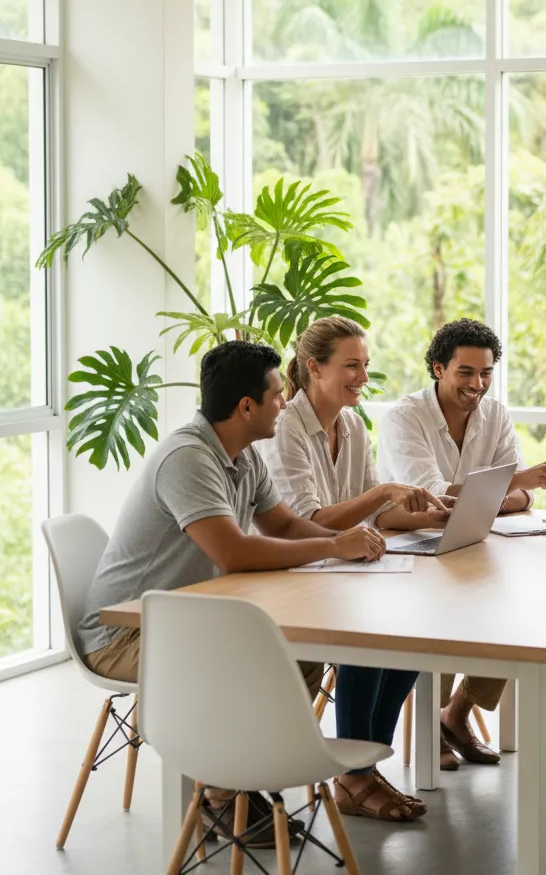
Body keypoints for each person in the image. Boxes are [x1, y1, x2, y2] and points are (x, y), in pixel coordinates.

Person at [79, 340, 388, 847]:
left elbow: (284, 524)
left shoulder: (241, 455)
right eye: (276, 395)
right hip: (125, 635)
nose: (285, 403)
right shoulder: (187, 458)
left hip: (193, 619)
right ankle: (222, 796)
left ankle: (245, 780)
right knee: (257, 660)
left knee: (303, 654)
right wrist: (334, 543)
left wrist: (348, 543)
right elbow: (235, 553)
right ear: (246, 406)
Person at [260, 316, 452, 822]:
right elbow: (306, 521)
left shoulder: (351, 425)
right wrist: (381, 493)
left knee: (411, 640)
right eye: (351, 366)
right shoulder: (285, 428)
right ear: (313, 369)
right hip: (286, 574)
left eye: (365, 365)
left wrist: (431, 515)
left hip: (336, 570)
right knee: (368, 639)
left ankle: (360, 769)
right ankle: (357, 779)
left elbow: (372, 515)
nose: (363, 377)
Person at [377, 317, 546, 770]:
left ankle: (457, 713)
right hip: (409, 550)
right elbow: (431, 496)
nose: (478, 384)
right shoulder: (404, 419)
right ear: (437, 369)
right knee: (450, 614)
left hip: (471, 543)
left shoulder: (496, 414)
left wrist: (505, 490)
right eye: (465, 372)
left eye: (486, 373)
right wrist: (508, 486)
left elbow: (522, 496)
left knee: (520, 607)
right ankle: (430, 723)